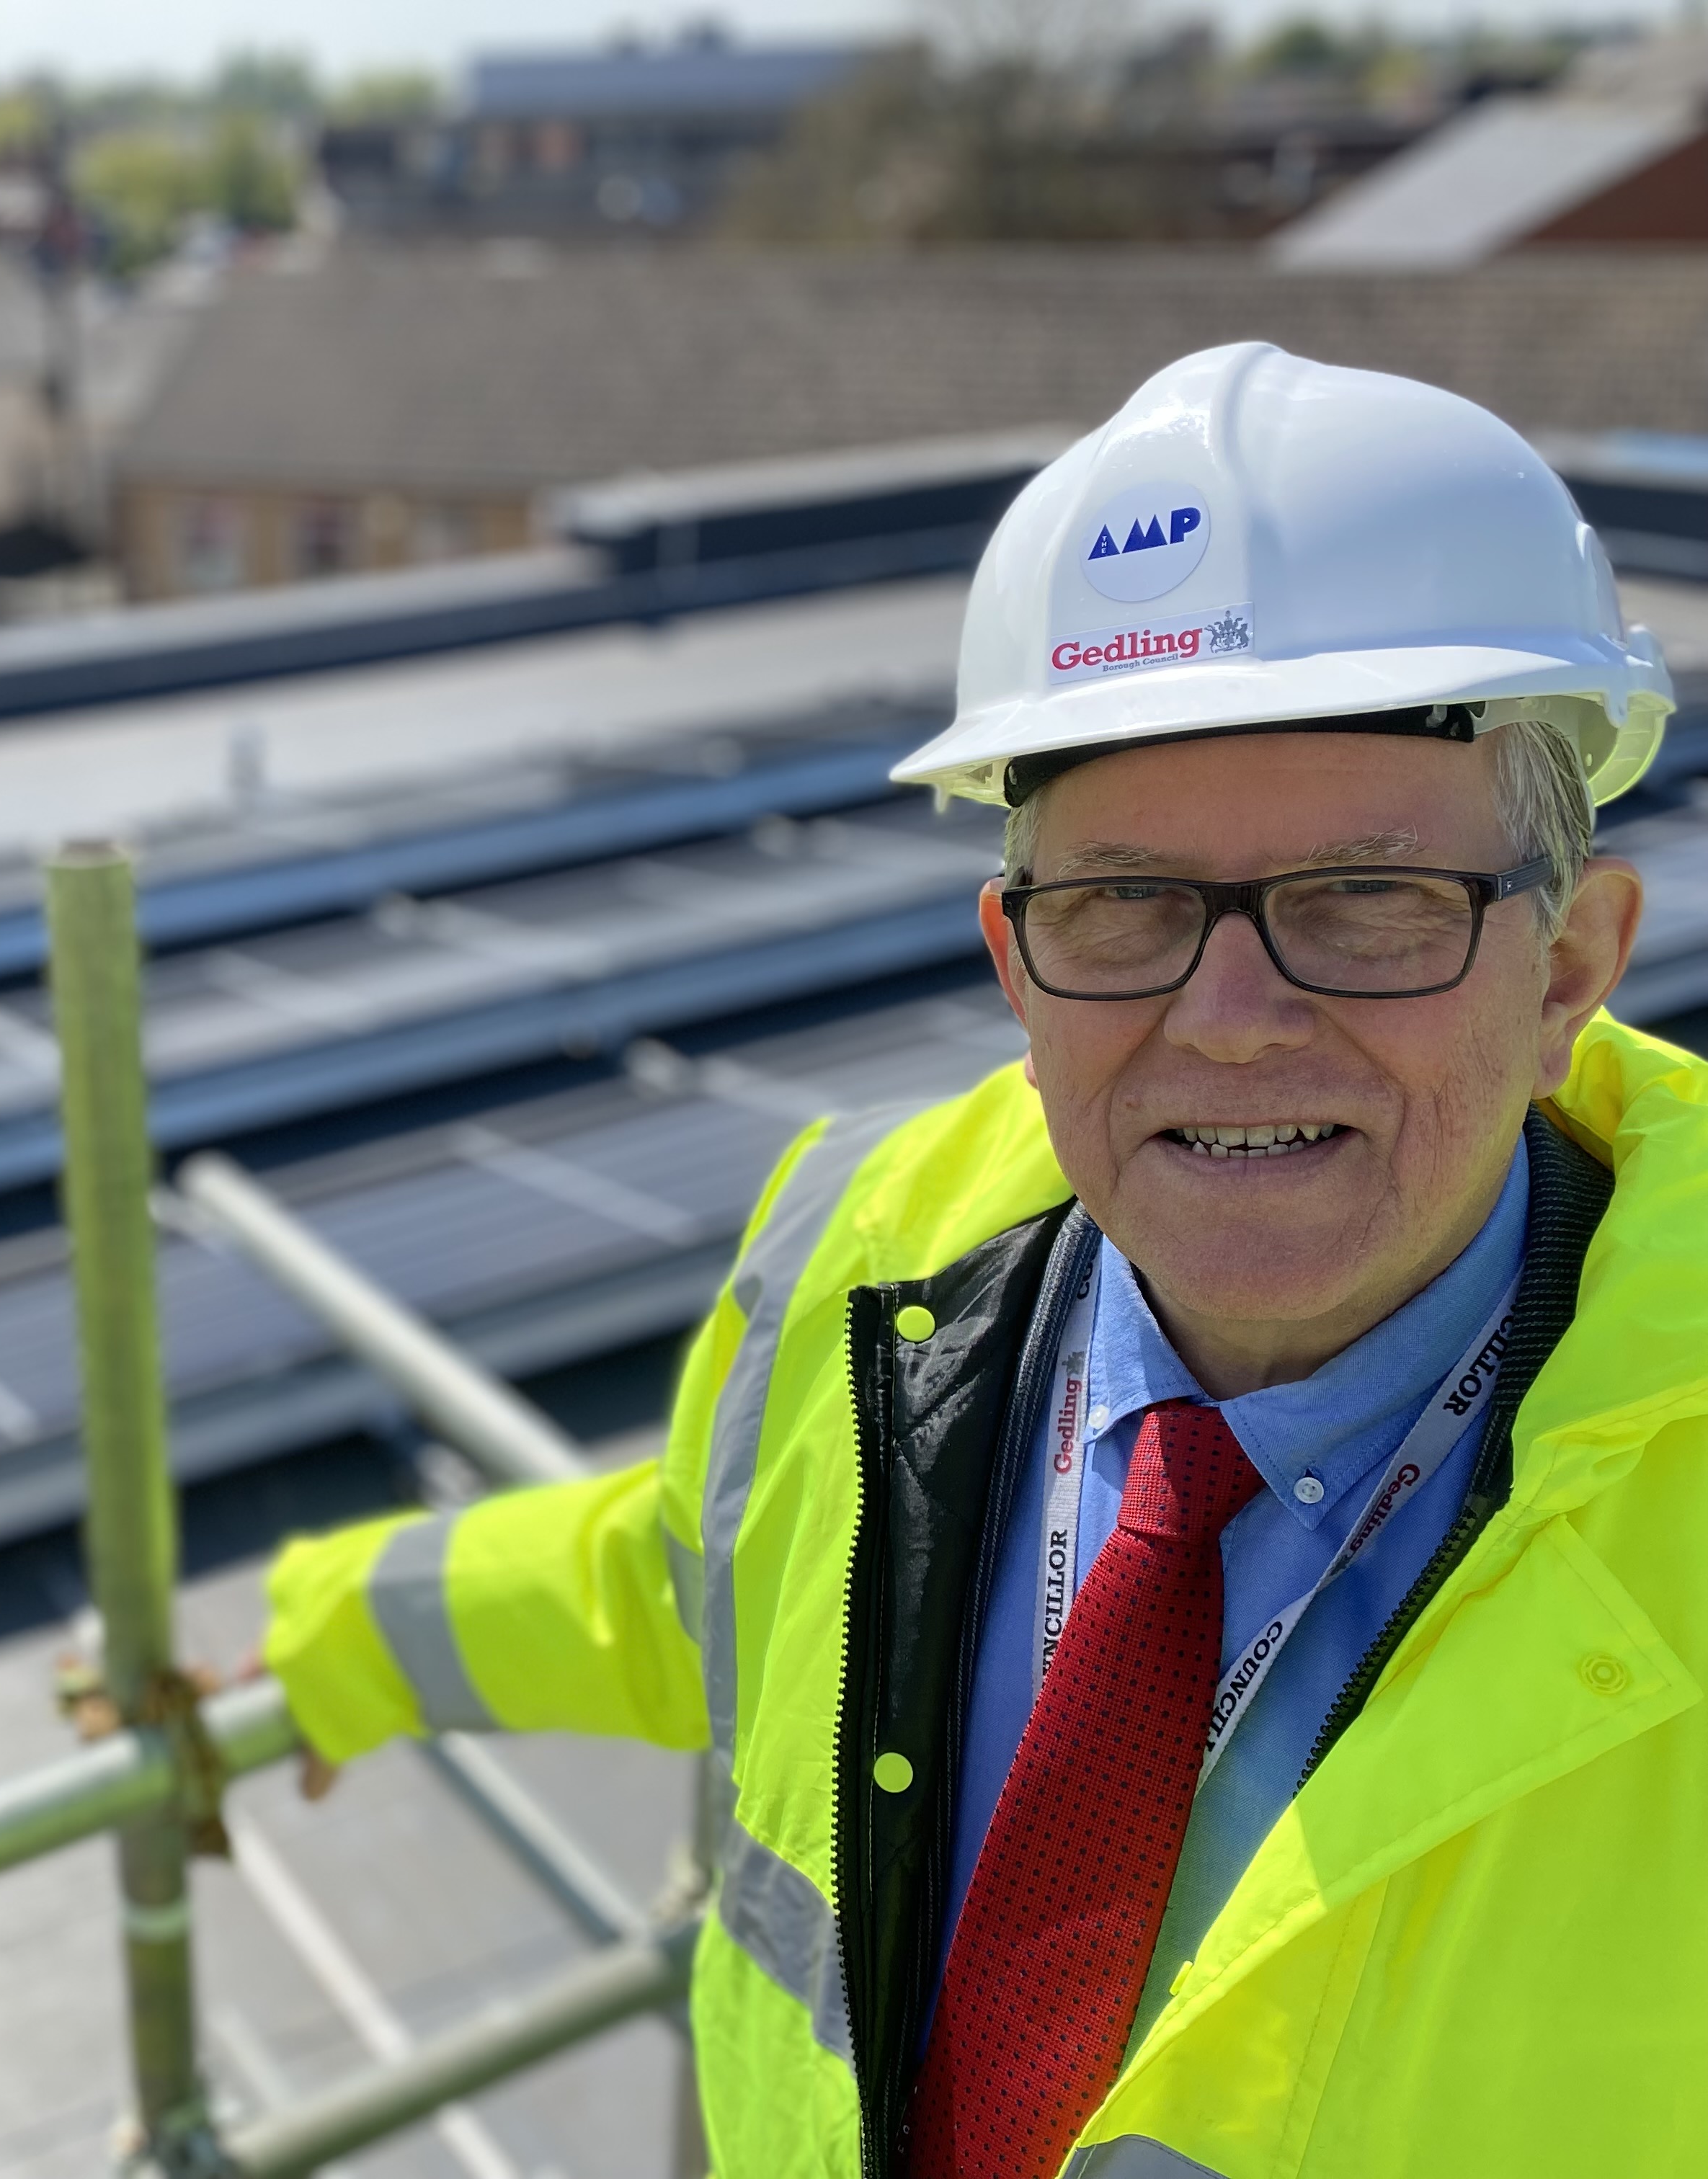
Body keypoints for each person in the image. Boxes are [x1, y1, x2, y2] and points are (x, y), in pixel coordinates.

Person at [264, 344, 1704, 2177]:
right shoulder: (873, 1242)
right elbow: (697, 1576)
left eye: (1366, 898)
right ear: (1015, 963)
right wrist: (326, 1643)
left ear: (1576, 960)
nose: (1233, 1020)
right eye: (1124, 905)